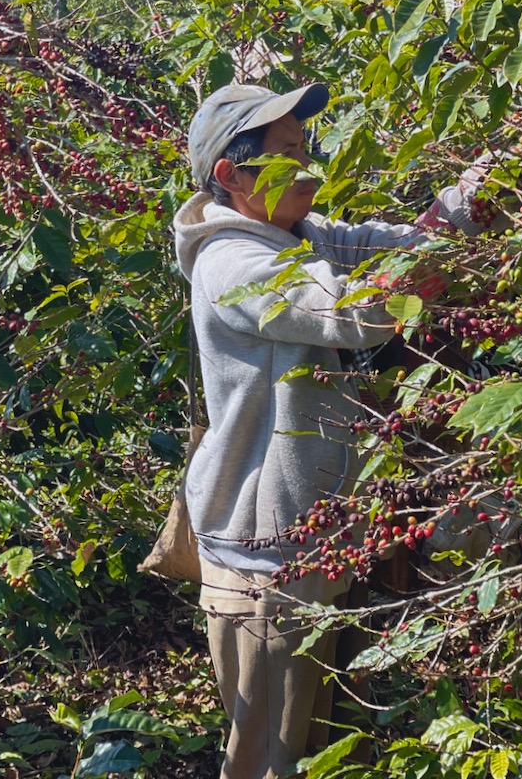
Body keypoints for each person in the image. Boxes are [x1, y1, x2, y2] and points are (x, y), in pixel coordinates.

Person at [174, 81, 493, 779]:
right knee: (270, 761)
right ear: (231, 176)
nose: (310, 166)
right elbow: (360, 310)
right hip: (267, 566)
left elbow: (413, 245)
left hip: (332, 542)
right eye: (288, 155)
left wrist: (481, 187)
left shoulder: (306, 235)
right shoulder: (234, 263)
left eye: (306, 147)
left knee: (335, 753)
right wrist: (426, 271)